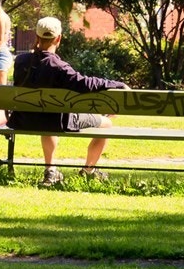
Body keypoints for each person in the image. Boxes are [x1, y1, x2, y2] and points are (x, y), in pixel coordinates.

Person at [11, 16, 127, 186]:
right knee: (107, 124)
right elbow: (85, 84)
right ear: (58, 38)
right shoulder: (59, 67)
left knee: (48, 115)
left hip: (24, 119)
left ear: (37, 37)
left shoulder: (21, 61)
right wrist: (115, 84)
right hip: (58, 121)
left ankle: (51, 171)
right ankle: (88, 170)